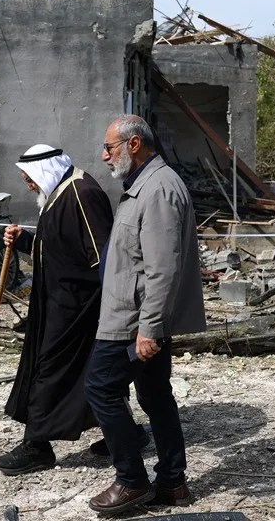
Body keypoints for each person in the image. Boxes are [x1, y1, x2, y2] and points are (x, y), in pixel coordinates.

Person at [85, 115, 207, 514]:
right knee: (155, 395)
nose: (104, 155)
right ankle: (172, 483)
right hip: (135, 316)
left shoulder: (158, 189)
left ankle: (132, 482)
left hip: (133, 321)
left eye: (109, 147)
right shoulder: (143, 185)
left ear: (133, 144)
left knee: (101, 386)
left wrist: (149, 329)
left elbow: (163, 268)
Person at [0, 144, 114, 476]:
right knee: (89, 373)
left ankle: (37, 445)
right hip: (58, 303)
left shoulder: (82, 193)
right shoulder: (61, 193)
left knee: (50, 370)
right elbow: (58, 247)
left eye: (29, 178)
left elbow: (103, 256)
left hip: (78, 306)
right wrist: (21, 240)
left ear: (44, 171)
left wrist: (107, 307)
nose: (28, 184)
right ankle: (123, 434)